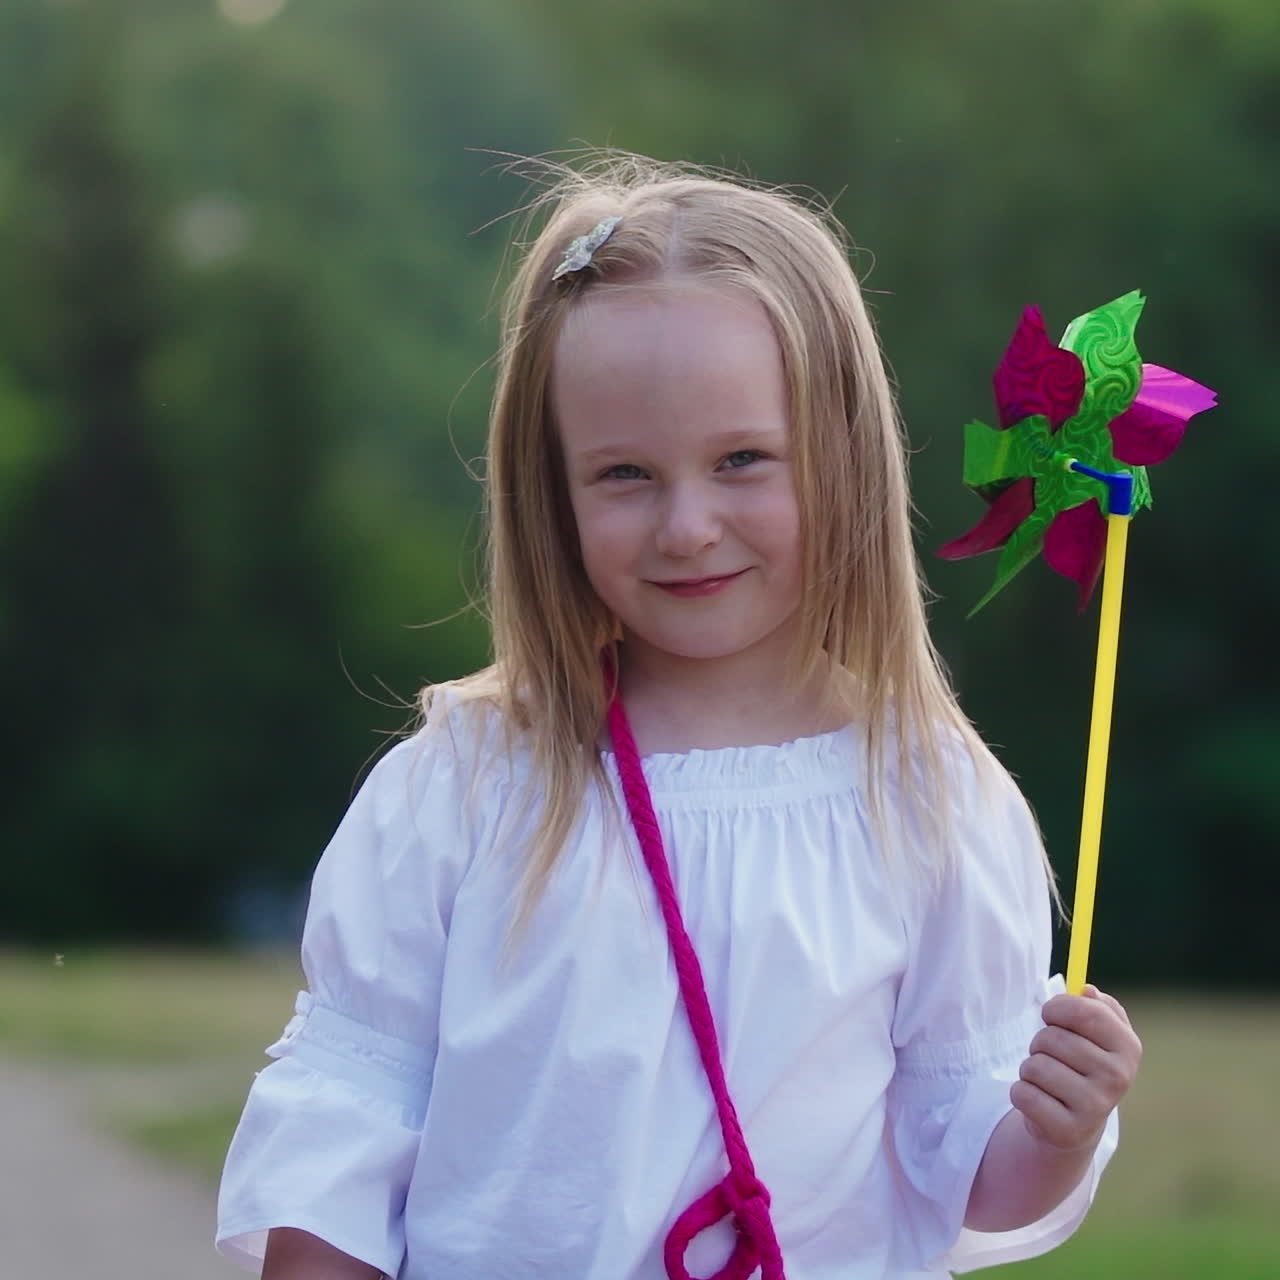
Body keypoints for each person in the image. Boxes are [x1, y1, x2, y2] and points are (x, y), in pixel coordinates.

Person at [216, 154, 1141, 1280]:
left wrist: (1055, 1127)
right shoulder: (462, 788)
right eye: (623, 475)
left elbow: (972, 1178)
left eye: (742, 459)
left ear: (843, 458)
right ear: (547, 487)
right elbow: (346, 1136)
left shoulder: (926, 797)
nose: (688, 524)